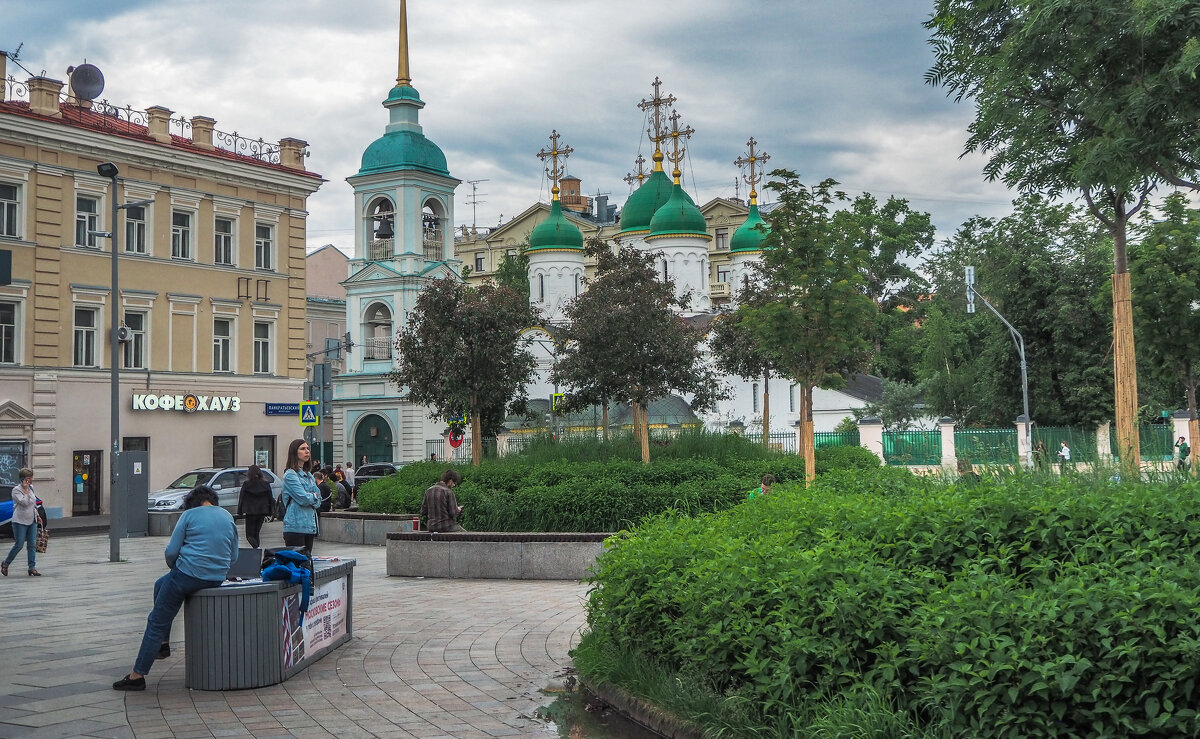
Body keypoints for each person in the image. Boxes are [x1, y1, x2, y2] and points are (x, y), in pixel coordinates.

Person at [113, 485, 237, 691]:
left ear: (191, 503)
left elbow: (171, 552)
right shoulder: (227, 516)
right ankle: (163, 645)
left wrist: (175, 569)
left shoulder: (188, 516)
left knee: (156, 621)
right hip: (216, 577)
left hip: (187, 575)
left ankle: (137, 676)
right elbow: (234, 556)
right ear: (213, 500)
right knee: (159, 584)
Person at [281, 438, 320, 554]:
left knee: (307, 566)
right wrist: (313, 496)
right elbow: (303, 498)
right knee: (298, 566)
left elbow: (319, 501)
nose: (307, 451)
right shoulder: (290, 475)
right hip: (295, 527)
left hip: (310, 526)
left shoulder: (309, 475)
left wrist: (313, 497)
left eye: (308, 448)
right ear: (294, 452)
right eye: (303, 449)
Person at [3, 467, 43, 577]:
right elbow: (25, 502)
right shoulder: (16, 490)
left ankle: (32, 568)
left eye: (31, 478)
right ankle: (6, 563)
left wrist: (38, 516)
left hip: (32, 519)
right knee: (19, 544)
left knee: (32, 545)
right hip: (19, 521)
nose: (31, 480)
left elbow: (33, 504)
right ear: (23, 479)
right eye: (28, 478)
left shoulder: (32, 488)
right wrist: (25, 490)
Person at [236, 465, 273, 549]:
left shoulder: (246, 484)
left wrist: (240, 511)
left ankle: (256, 548)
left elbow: (241, 498)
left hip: (250, 512)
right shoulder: (265, 484)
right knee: (256, 533)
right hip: (262, 511)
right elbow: (270, 498)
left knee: (249, 535)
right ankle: (257, 549)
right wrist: (271, 511)